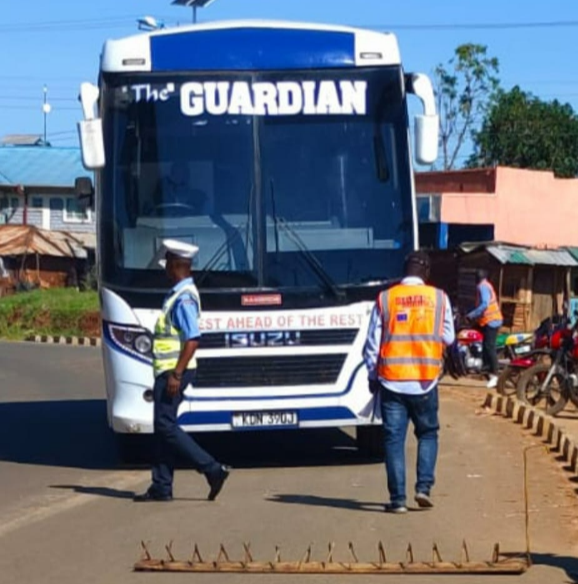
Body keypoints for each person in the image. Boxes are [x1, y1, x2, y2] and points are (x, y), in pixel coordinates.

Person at [134, 239, 230, 502]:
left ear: (177, 266)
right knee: (163, 427)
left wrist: (176, 373)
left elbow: (193, 339)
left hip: (173, 372)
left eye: (167, 264)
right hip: (169, 370)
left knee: (165, 426)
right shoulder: (178, 292)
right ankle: (162, 487)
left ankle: (212, 469)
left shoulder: (184, 297)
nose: (164, 269)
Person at [363, 250, 455, 514]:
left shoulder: (386, 298)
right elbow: (448, 337)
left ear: (405, 270)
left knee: (393, 440)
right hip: (425, 381)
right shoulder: (439, 298)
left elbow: (372, 344)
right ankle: (423, 488)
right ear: (426, 272)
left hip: (392, 381)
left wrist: (373, 376)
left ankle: (398, 500)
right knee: (427, 433)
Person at [466, 269, 503, 389]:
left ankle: (495, 374)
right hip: (488, 320)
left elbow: (484, 304)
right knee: (478, 339)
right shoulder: (487, 284)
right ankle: (484, 365)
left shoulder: (482, 286)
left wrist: (471, 315)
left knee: (489, 346)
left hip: (491, 320)